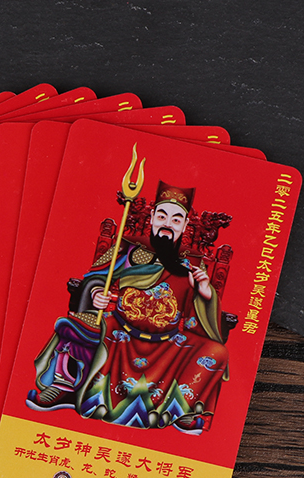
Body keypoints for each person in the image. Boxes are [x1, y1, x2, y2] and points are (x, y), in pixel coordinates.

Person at [26, 181, 228, 434]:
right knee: (75, 326)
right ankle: (64, 388)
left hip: (168, 344)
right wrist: (97, 293)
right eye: (162, 216)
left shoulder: (192, 264)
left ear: (185, 225)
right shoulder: (129, 248)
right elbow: (94, 278)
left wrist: (205, 294)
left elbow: (198, 313)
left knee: (217, 352)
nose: (168, 224)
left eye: (176, 220)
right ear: (152, 217)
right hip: (118, 332)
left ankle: (180, 408)